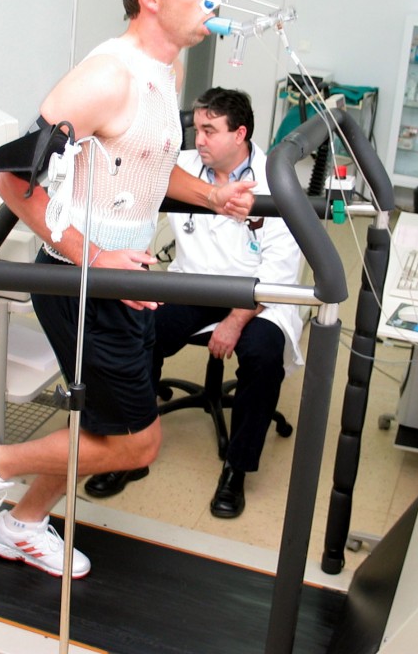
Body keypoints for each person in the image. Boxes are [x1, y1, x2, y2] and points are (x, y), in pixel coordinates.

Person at [0, 0, 256, 579]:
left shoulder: (166, 70)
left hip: (124, 280)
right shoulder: (105, 78)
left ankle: (24, 522)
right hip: (79, 281)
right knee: (136, 445)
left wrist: (213, 195)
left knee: (102, 427)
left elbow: (150, 164)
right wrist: (94, 258)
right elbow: (14, 184)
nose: (213, 1)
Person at [84, 87, 304, 518]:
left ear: (240, 133)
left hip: (257, 294)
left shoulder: (276, 181)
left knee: (263, 356)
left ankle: (236, 469)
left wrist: (235, 321)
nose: (198, 139)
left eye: (209, 130)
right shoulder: (181, 169)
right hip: (194, 284)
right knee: (137, 330)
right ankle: (131, 449)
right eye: (196, 129)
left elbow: (280, 270)